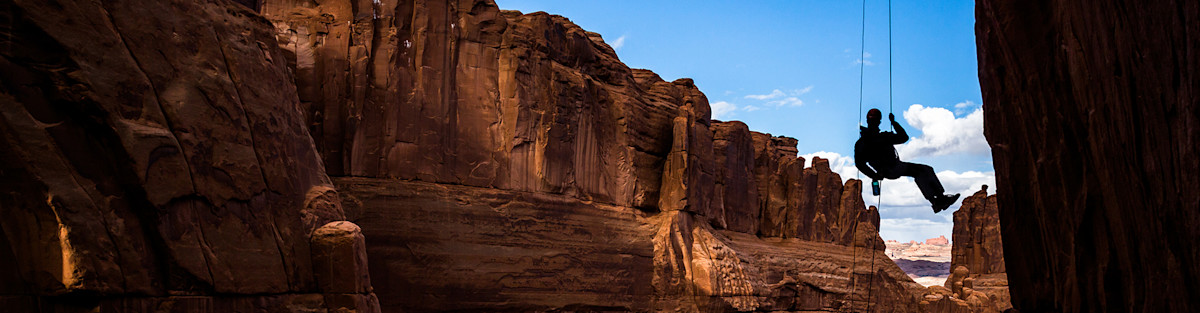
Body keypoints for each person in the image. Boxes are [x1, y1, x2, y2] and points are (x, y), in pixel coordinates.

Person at [855, 108, 960, 213]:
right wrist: (894, 123)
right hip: (893, 168)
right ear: (879, 122)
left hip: (888, 170)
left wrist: (874, 175)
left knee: (921, 172)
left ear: (868, 121)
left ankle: (936, 202)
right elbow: (904, 137)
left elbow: (860, 164)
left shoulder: (863, 142)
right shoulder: (882, 137)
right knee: (924, 170)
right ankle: (938, 200)